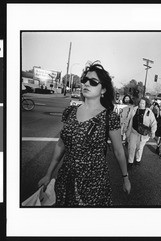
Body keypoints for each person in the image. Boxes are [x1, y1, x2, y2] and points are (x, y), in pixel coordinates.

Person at [38, 61, 131, 207]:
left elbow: (119, 151)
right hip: (66, 177)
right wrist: (49, 173)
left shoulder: (109, 117)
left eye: (93, 82)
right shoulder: (69, 112)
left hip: (94, 182)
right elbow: (61, 145)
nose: (86, 84)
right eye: (84, 80)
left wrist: (125, 178)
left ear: (103, 90)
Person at [126, 97, 157, 167]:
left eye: (143, 103)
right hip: (133, 131)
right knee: (131, 147)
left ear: (146, 104)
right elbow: (128, 119)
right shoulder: (134, 109)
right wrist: (125, 129)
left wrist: (153, 131)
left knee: (139, 148)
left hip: (143, 133)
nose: (141, 104)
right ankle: (130, 161)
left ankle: (138, 159)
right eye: (140, 103)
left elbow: (154, 122)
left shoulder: (149, 112)